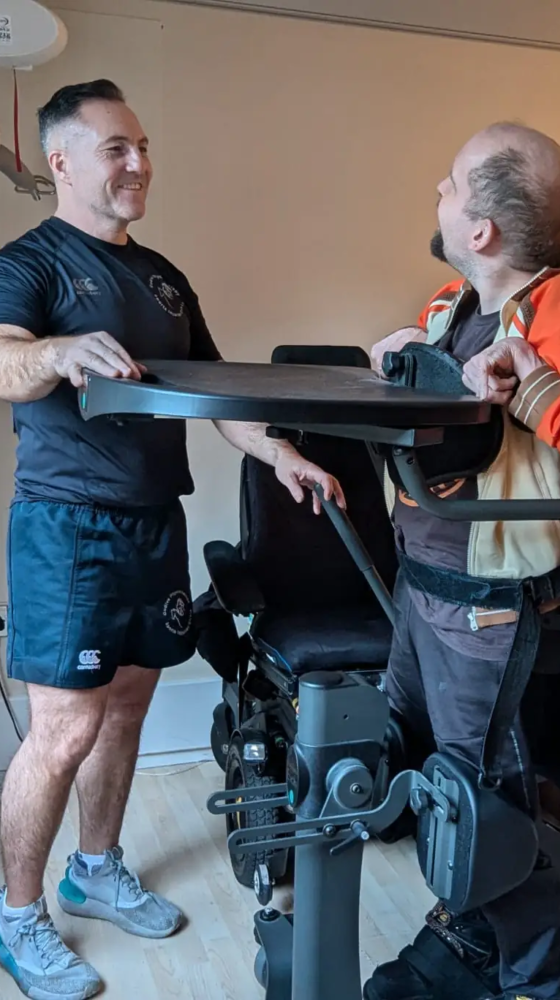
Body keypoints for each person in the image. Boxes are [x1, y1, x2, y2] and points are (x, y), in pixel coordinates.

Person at [0, 79, 344, 1000]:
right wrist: (56, 355)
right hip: (67, 528)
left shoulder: (161, 276)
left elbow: (211, 392)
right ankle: (18, 917)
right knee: (62, 728)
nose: (140, 163)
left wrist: (279, 454)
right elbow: (3, 359)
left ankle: (96, 867)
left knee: (126, 710)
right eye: (116, 148)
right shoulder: (29, 264)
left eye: (143, 145)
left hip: (157, 519)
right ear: (60, 161)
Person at [364, 122, 560, 1000]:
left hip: (493, 593)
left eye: (449, 187)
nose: (437, 198)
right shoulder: (453, 302)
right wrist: (395, 362)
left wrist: (529, 376)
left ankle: (539, 980)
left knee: (480, 802)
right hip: (427, 576)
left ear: (482, 226)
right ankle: (473, 936)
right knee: (415, 762)